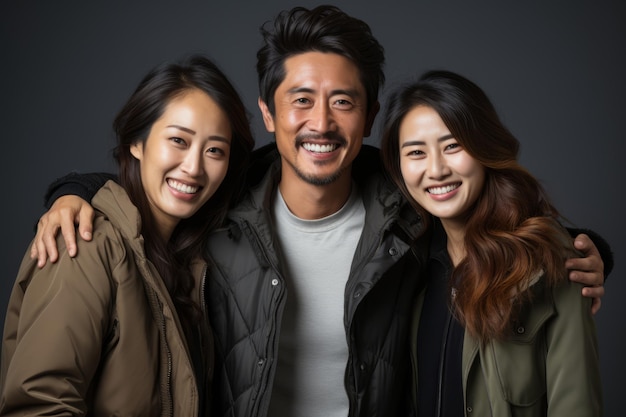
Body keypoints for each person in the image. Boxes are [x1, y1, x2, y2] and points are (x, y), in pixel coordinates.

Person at [27, 6, 610, 417]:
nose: (322, 123)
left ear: (370, 115)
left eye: (344, 103)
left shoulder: (407, 210)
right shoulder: (222, 203)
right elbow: (157, 193)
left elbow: (483, 212)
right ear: (268, 114)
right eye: (301, 100)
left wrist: (584, 247)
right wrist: (75, 191)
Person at [0, 55, 255, 416]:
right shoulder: (82, 243)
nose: (195, 167)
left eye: (215, 150)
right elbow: (39, 406)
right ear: (136, 142)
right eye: (178, 140)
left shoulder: (191, 261)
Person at [380, 70, 603, 416]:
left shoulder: (550, 261)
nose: (436, 170)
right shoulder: (407, 265)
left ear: (483, 147)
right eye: (416, 153)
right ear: (399, 167)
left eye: (452, 146)